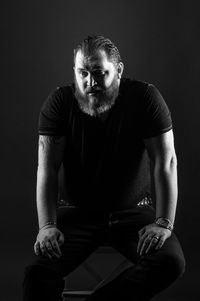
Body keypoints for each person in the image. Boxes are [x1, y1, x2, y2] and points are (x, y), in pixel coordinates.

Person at [23, 35, 185, 301]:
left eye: (99, 73)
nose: (90, 82)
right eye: (82, 73)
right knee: (37, 273)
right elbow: (47, 168)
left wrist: (164, 223)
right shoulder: (60, 103)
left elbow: (166, 161)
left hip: (133, 213)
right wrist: (47, 225)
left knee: (170, 263)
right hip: (78, 214)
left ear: (118, 70)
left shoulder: (145, 98)